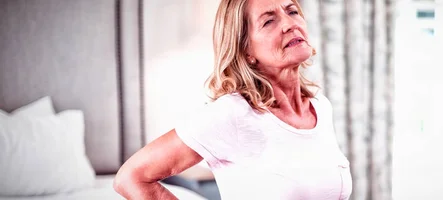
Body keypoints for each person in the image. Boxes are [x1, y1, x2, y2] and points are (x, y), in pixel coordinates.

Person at [113, 0, 352, 199]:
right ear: (246, 50)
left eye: (291, 11)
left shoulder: (320, 107)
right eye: (269, 21)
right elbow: (131, 177)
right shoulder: (232, 114)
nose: (290, 24)